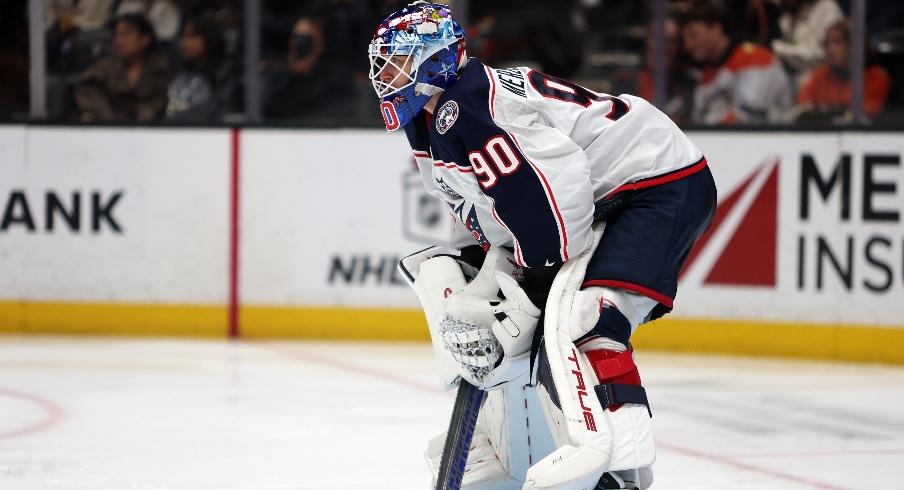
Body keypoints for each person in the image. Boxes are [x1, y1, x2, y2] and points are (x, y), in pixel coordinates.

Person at [369, 2, 716, 489]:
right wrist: (489, 271)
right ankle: (496, 444)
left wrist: (535, 273)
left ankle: (623, 471)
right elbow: (478, 209)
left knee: (591, 317)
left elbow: (561, 182)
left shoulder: (467, 106)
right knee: (450, 279)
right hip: (611, 193)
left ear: (435, 59)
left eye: (397, 61)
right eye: (381, 63)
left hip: (658, 181)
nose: (384, 75)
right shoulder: (431, 120)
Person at [681, 1, 793, 124]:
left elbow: (750, 113)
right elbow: (700, 117)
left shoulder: (756, 57)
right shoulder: (707, 73)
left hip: (774, 139)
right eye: (685, 38)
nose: (688, 45)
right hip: (725, 140)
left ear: (716, 29)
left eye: (693, 35)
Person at [74, 13, 172, 122]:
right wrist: (107, 118)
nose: (119, 40)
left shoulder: (160, 68)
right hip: (106, 127)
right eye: (116, 34)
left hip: (149, 129)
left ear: (145, 39)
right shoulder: (105, 66)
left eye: (126, 34)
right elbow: (87, 91)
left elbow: (161, 100)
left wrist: (141, 117)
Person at [795, 19, 892, 122]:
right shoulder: (821, 74)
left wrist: (823, 112)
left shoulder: (876, 76)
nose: (830, 49)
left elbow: (865, 114)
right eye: (827, 43)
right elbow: (802, 107)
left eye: (837, 42)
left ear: (855, 46)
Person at [166, 16, 236, 122]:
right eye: (183, 36)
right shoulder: (181, 74)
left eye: (192, 36)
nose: (184, 43)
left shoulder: (226, 71)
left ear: (209, 37)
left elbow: (223, 109)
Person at [771, 0, 845, 87]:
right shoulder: (789, 14)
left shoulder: (827, 8)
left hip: (823, 83)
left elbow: (823, 54)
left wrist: (780, 50)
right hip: (794, 79)